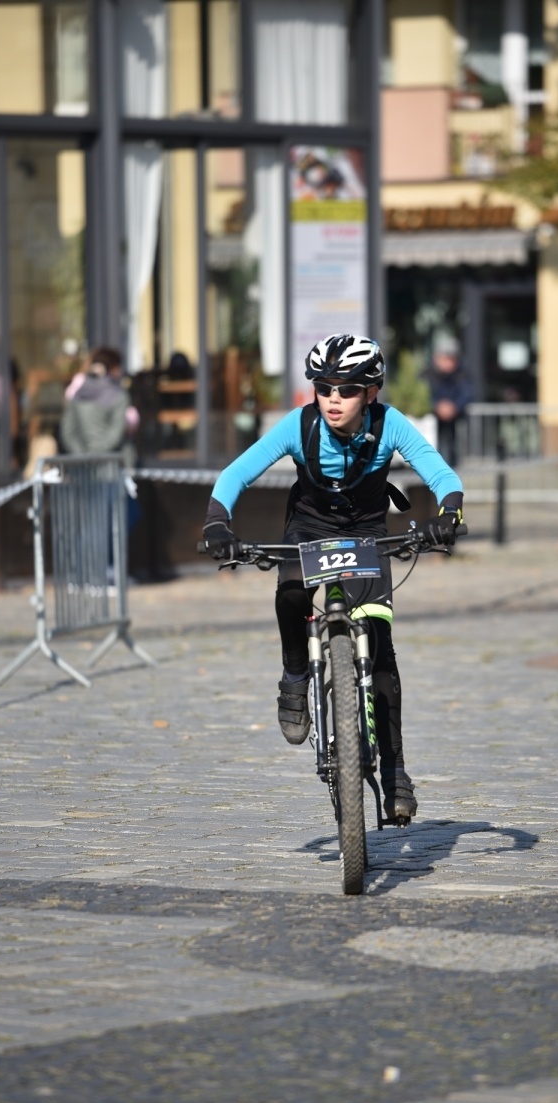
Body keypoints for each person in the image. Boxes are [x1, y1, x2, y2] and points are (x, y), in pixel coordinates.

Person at [200, 333, 465, 823]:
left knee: (381, 647)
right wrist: (218, 522)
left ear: (371, 393)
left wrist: (449, 512)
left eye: (345, 390)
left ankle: (395, 772)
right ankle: (296, 676)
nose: (333, 400)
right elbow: (235, 474)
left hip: (366, 532)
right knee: (290, 596)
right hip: (310, 528)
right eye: (324, 389)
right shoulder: (299, 426)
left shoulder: (390, 425)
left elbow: (442, 474)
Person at [59, 346, 135, 466]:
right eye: (118, 367)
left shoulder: (77, 394)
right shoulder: (118, 396)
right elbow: (116, 434)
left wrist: (83, 455)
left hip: (84, 468)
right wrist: (96, 455)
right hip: (113, 466)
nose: (120, 372)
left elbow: (68, 433)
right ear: (111, 369)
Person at [426, 331, 473, 468]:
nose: (448, 363)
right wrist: (436, 407)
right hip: (432, 422)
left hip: (455, 421)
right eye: (445, 358)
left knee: (453, 454)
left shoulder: (463, 374)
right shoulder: (427, 374)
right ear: (436, 358)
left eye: (452, 359)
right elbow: (423, 396)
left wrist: (454, 407)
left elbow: (467, 393)